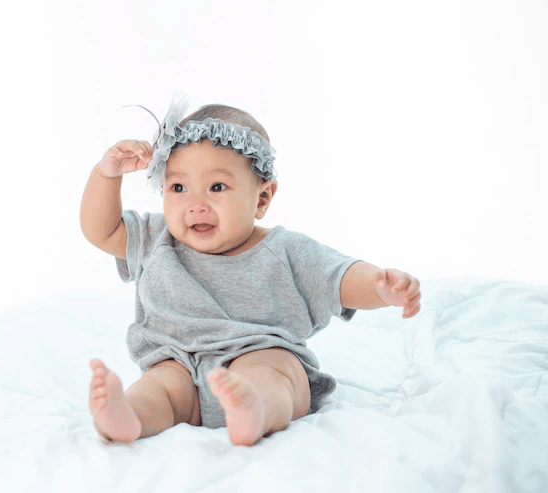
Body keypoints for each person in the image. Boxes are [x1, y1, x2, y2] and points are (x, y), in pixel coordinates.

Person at [80, 95, 421, 446]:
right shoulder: (156, 240)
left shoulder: (285, 250)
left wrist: (380, 286)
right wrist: (106, 175)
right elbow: (100, 230)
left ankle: (254, 408)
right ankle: (127, 416)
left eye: (217, 187)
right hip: (177, 362)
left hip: (259, 351)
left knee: (275, 375)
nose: (196, 204)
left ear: (262, 198)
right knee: (159, 389)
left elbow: (341, 278)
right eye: (178, 188)